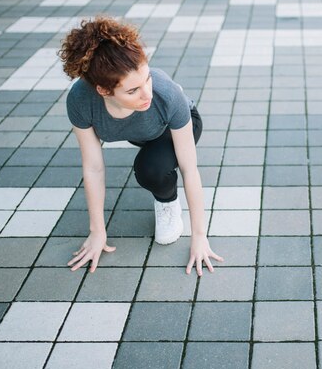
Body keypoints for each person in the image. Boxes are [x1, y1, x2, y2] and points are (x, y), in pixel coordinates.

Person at [60, 15, 222, 275]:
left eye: (146, 78)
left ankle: (167, 201)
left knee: (151, 169)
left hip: (176, 124)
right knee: (149, 152)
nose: (147, 93)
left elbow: (189, 169)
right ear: (103, 91)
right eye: (133, 90)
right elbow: (93, 168)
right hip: (143, 131)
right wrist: (97, 232)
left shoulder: (165, 95)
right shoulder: (80, 101)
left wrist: (199, 236)